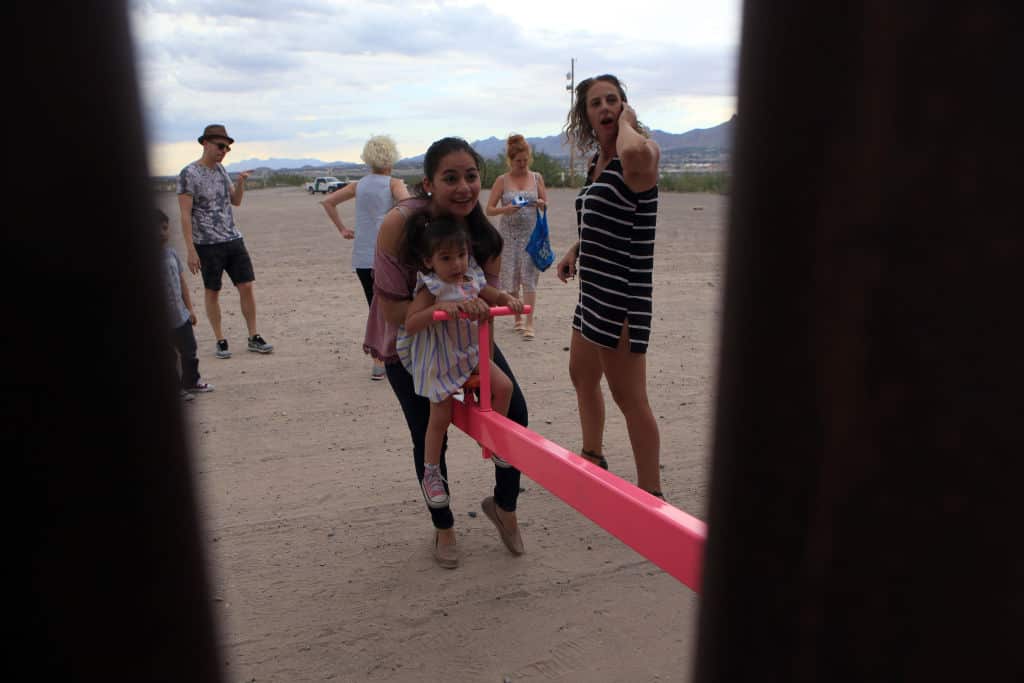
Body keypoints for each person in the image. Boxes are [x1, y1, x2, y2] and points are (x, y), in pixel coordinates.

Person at [364, 136, 530, 569]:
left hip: (463, 339)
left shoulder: (482, 234)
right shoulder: (400, 225)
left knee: (515, 411)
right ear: (428, 183)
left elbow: (485, 296)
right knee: (428, 430)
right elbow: (395, 311)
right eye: (450, 178)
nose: (463, 187)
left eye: (471, 176)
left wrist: (495, 302)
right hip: (415, 347)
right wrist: (447, 307)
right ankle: (444, 526)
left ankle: (505, 507)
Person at [555, 74, 664, 498]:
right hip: (593, 294)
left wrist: (627, 123)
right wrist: (575, 249)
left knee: (629, 397)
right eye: (595, 103)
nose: (604, 108)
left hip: (622, 298)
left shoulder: (639, 156)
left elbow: (634, 148)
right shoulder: (598, 163)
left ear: (625, 106)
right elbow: (607, 217)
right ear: (585, 115)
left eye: (612, 101)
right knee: (581, 375)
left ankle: (652, 497)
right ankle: (592, 457)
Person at [396, 215, 524, 511]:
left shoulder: (472, 277)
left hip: (470, 354)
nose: (456, 264)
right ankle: (431, 471)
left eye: (462, 255)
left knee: (503, 387)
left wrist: (507, 297)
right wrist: (438, 309)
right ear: (429, 261)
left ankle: (492, 439)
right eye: (446, 257)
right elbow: (411, 323)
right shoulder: (432, 288)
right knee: (439, 418)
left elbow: (489, 294)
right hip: (442, 360)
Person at [177, 124, 274, 359]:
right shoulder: (189, 174)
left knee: (247, 286)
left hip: (232, 238)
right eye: (220, 146)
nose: (224, 151)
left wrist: (241, 182)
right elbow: (184, 214)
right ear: (205, 143)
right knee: (213, 290)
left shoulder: (221, 170)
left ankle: (253, 336)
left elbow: (236, 201)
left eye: (227, 148)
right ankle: (220, 339)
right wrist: (191, 249)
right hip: (207, 244)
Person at [320, 134, 410, 380]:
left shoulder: (359, 185)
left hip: (362, 256)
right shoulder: (394, 183)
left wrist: (342, 229)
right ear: (391, 157)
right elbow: (408, 205)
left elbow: (328, 202)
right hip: (388, 256)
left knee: (374, 306)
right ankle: (394, 356)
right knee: (393, 305)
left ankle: (378, 361)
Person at [484, 133, 548, 339]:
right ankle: (517, 318)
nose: (522, 164)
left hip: (531, 235)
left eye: (525, 160)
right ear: (510, 160)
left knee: (529, 277)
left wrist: (540, 204)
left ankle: (529, 322)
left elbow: (545, 202)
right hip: (509, 235)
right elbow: (490, 209)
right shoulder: (502, 180)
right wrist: (506, 210)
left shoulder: (536, 177)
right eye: (517, 161)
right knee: (511, 276)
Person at [157, 208, 214, 399]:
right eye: (157, 228)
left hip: (181, 316)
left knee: (189, 351)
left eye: (165, 228)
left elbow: (181, 283)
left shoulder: (171, 253)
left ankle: (191, 382)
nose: (162, 233)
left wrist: (189, 308)